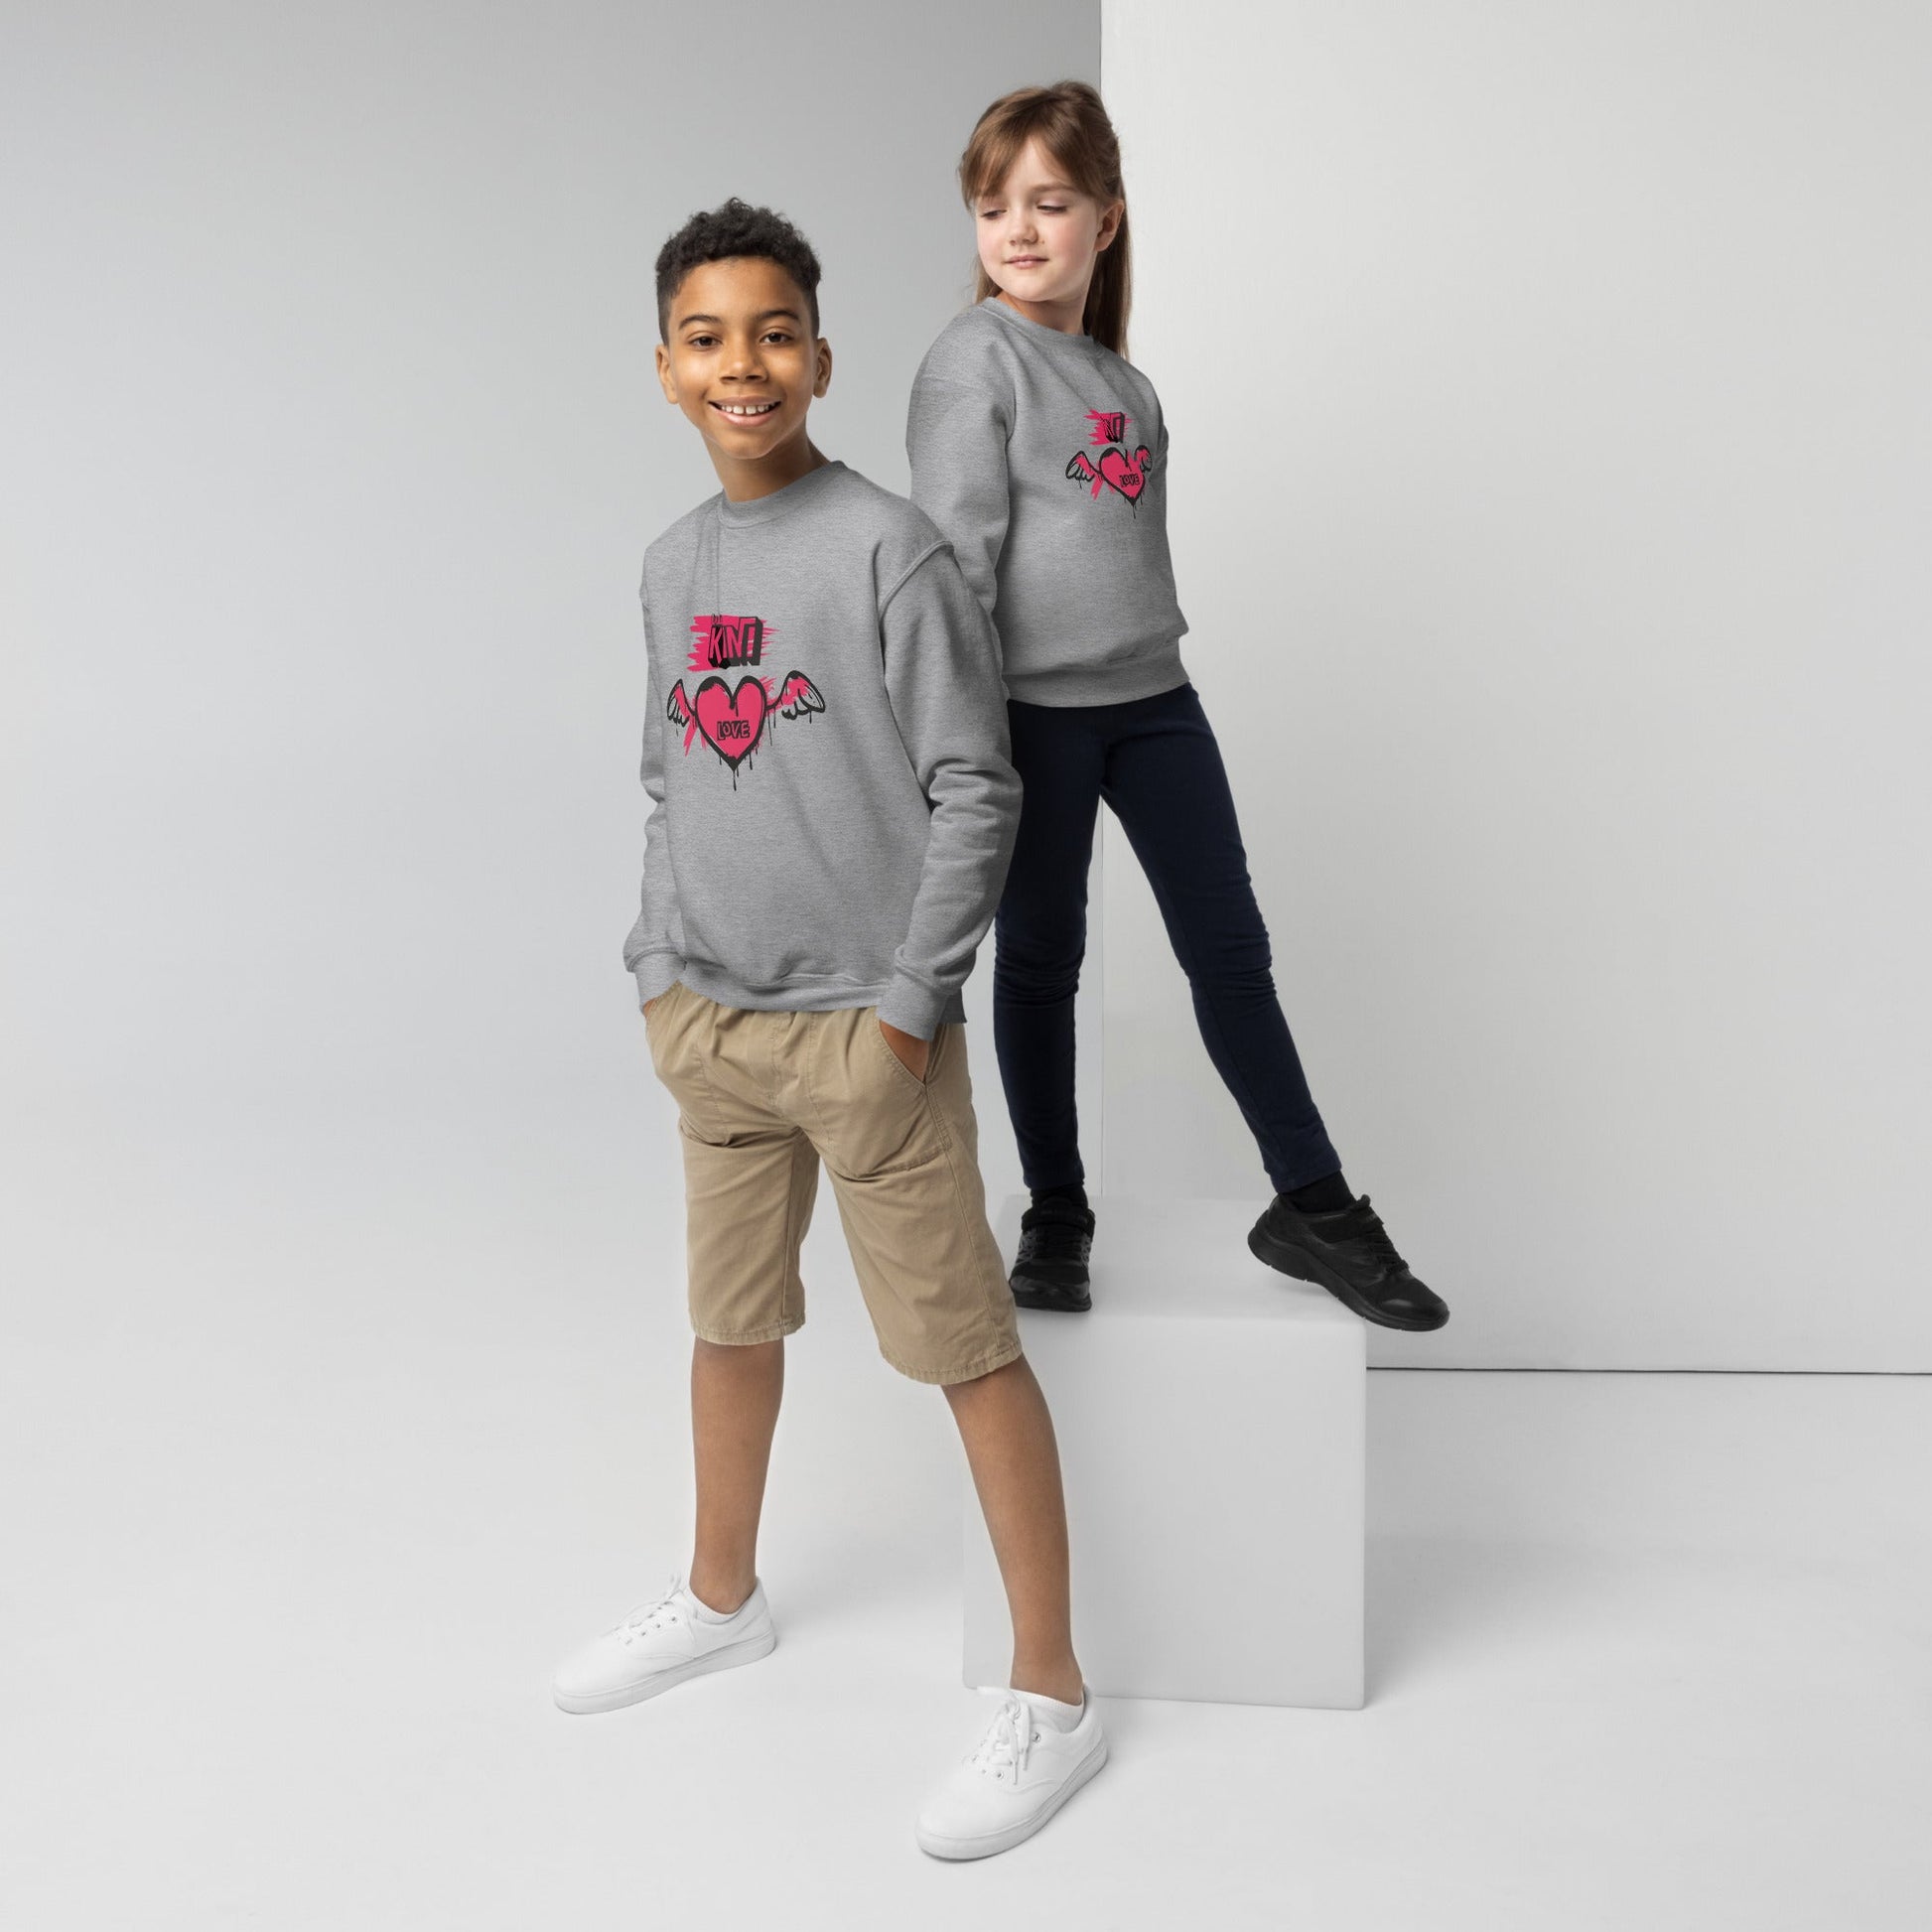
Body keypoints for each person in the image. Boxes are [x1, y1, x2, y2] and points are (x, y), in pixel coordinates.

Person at [552, 199, 1107, 1861]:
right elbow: (672, 778)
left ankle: (1052, 1690)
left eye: (774, 332)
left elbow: (974, 786)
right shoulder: (671, 566)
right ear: (665, 369)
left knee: (964, 1350)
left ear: (821, 356)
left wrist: (908, 1010)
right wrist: (659, 969)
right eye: (707, 337)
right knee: (728, 1326)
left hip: (867, 1042)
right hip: (713, 1025)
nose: (744, 364)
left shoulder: (888, 548)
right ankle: (720, 1596)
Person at [906, 83, 1449, 1333]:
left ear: (1105, 218)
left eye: (1049, 203)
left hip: (1154, 703)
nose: (1018, 229)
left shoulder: (1124, 382)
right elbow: (955, 568)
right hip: (1031, 714)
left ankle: (1311, 1205)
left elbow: (1117, 562)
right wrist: (955, 745)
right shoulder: (971, 361)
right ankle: (1055, 1209)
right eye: (993, 206)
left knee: (1230, 954)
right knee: (1040, 961)